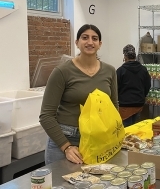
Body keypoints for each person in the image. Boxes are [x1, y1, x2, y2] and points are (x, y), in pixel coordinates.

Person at [39, 24, 118, 165]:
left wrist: (113, 135)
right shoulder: (62, 72)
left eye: (94, 38)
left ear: (100, 44)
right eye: (84, 37)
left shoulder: (110, 71)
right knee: (62, 186)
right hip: (67, 139)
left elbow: (113, 106)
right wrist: (66, 147)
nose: (89, 42)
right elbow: (46, 116)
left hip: (98, 139)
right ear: (77, 42)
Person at [117, 44, 151, 127]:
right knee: (137, 128)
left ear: (125, 56)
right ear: (134, 56)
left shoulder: (120, 71)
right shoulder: (143, 69)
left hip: (125, 105)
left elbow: (115, 88)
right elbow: (148, 85)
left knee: (126, 131)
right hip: (139, 104)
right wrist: (142, 95)